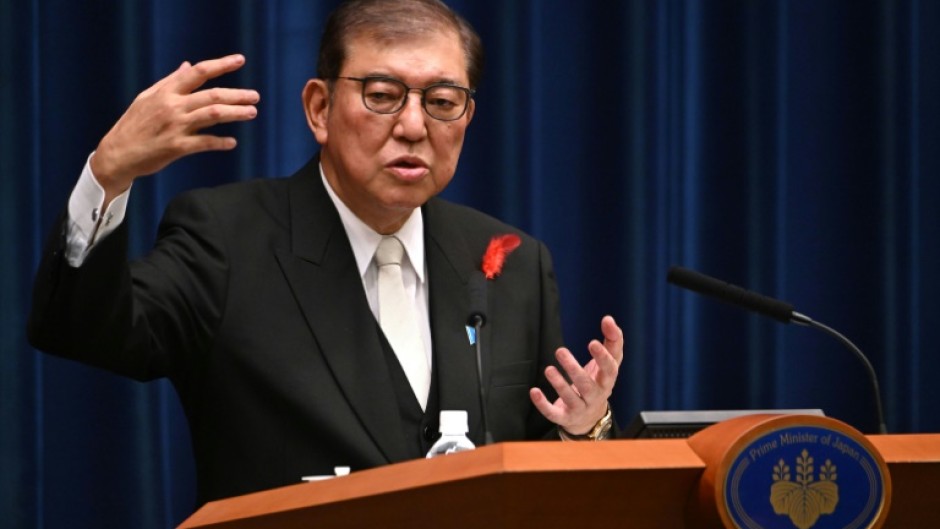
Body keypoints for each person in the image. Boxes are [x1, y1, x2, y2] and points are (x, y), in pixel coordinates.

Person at [28, 0, 624, 508]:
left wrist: (585, 429)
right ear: (319, 109)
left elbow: (549, 485)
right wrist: (109, 174)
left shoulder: (507, 260)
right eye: (383, 95)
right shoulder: (229, 237)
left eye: (443, 100)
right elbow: (86, 332)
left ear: (467, 116)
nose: (414, 125)